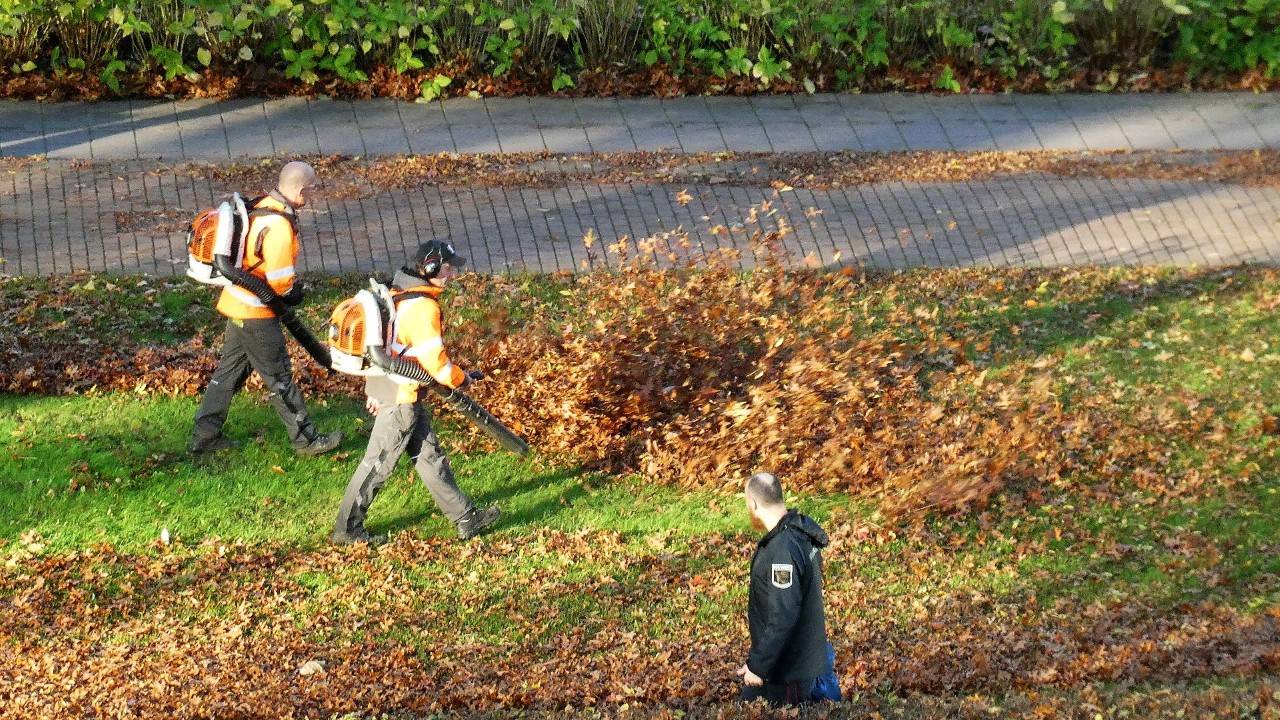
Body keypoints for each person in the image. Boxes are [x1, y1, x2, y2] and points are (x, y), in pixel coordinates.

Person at [331, 241, 501, 546]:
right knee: (378, 463)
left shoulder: (398, 291)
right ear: (432, 268)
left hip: (397, 387)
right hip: (401, 396)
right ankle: (348, 529)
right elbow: (435, 363)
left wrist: (374, 389)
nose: (452, 274)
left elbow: (390, 346)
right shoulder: (423, 307)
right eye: (448, 268)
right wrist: (461, 379)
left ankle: (465, 517)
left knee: (429, 456)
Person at [189, 161, 343, 457]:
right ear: (299, 191)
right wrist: (295, 292)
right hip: (258, 313)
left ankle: (204, 437)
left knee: (228, 374)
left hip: (237, 303)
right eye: (310, 190)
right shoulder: (281, 227)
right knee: (280, 379)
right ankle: (306, 440)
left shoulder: (261, 205)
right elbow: (280, 283)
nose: (310, 196)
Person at [736, 471, 836, 705]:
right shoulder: (798, 532)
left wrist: (758, 668)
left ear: (752, 503)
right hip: (793, 661)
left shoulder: (783, 550)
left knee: (747, 706)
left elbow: (783, 615)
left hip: (790, 672)